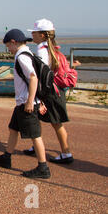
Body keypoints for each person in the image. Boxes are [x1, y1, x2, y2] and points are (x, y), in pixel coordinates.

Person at [0, 29, 51, 179]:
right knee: (13, 129)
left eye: (8, 47)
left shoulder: (22, 57)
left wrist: (31, 101)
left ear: (13, 42)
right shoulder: (27, 53)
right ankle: (7, 157)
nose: (8, 50)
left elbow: (33, 78)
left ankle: (43, 167)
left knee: (35, 135)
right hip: (22, 102)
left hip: (26, 103)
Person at [23, 19, 77, 164]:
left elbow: (41, 72)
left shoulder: (42, 49)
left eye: (34, 32)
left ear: (42, 35)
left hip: (50, 92)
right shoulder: (52, 48)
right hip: (55, 90)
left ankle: (66, 153)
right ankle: (37, 145)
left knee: (55, 122)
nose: (32, 34)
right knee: (42, 119)